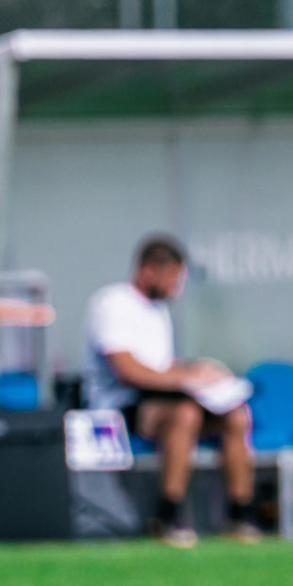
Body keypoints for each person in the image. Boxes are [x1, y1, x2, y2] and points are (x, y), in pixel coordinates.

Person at [82, 234, 256, 548]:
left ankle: (240, 515)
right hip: (120, 407)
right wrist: (186, 378)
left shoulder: (158, 311)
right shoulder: (112, 303)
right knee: (185, 414)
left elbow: (160, 365)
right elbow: (129, 370)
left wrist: (200, 371)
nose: (176, 287)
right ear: (148, 271)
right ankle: (167, 516)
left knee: (235, 416)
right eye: (172, 278)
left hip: (164, 398)